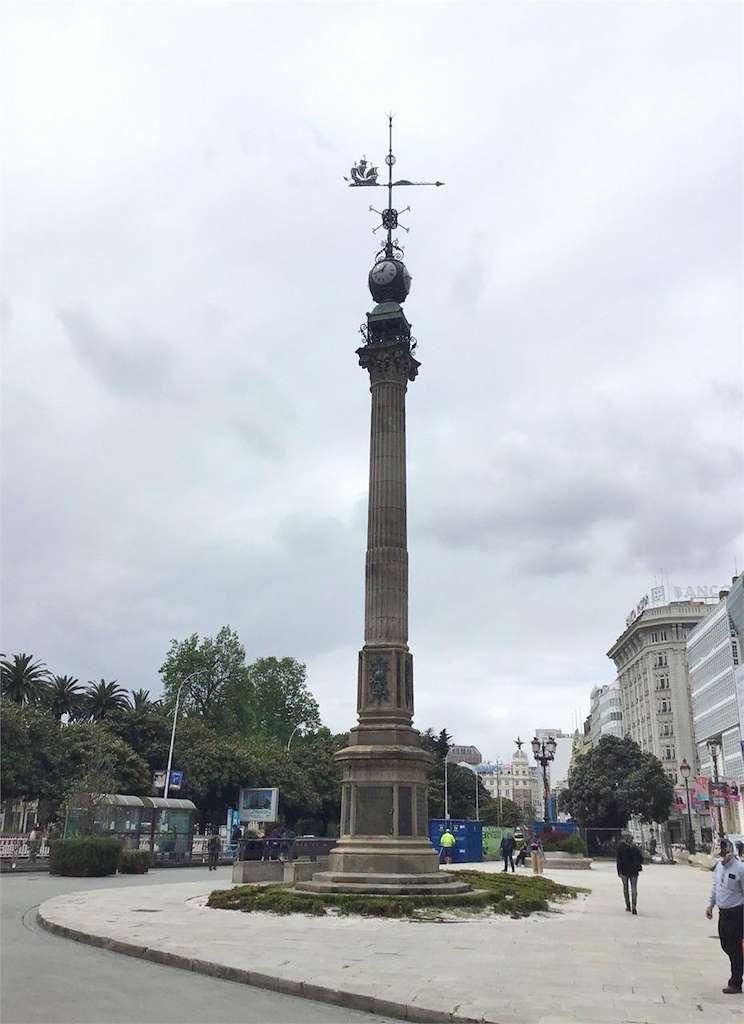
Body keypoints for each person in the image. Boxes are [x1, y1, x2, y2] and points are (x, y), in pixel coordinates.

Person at [706, 838, 744, 994]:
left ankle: (735, 981)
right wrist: (710, 904)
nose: (722, 859)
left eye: (724, 855)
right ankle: (739, 967)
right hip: (723, 912)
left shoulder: (740, 868)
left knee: (735, 947)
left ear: (731, 853)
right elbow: (716, 886)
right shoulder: (719, 868)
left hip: (737, 912)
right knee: (726, 944)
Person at [616, 833, 643, 914]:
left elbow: (618, 860)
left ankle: (628, 906)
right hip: (634, 871)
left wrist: (619, 871)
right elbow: (641, 858)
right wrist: (638, 864)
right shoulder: (635, 848)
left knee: (625, 888)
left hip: (624, 871)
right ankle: (634, 906)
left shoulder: (620, 848)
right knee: (634, 888)